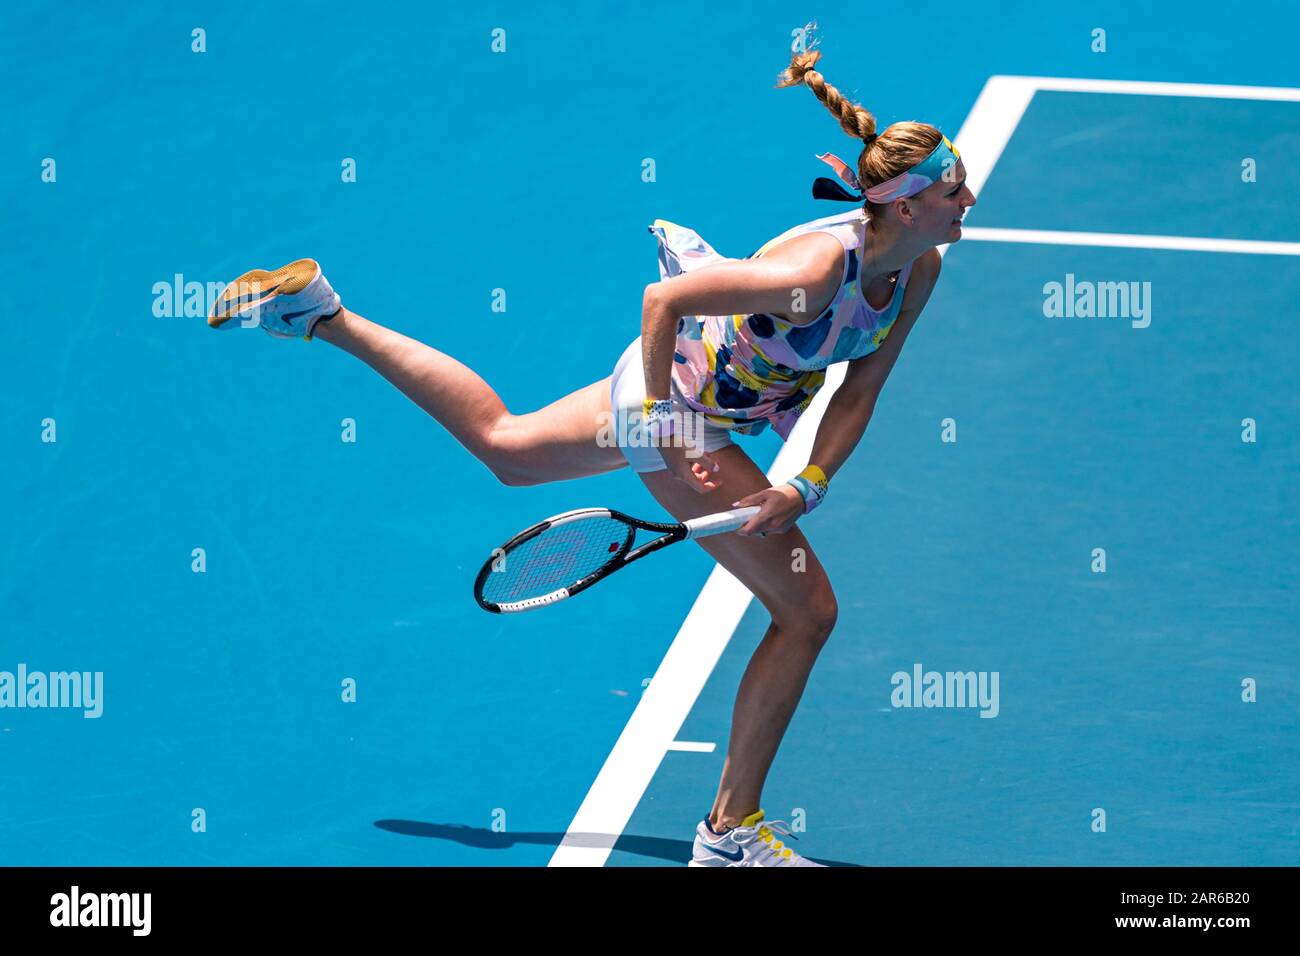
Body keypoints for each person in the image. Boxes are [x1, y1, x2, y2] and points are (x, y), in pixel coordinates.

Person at [208, 39, 975, 867]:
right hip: (676, 411)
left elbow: (860, 391)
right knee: (808, 611)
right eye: (952, 188)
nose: (969, 196)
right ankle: (728, 835)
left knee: (508, 447)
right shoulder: (815, 275)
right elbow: (665, 299)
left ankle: (321, 314)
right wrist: (662, 423)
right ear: (904, 207)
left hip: (696, 402)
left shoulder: (919, 270)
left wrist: (809, 484)